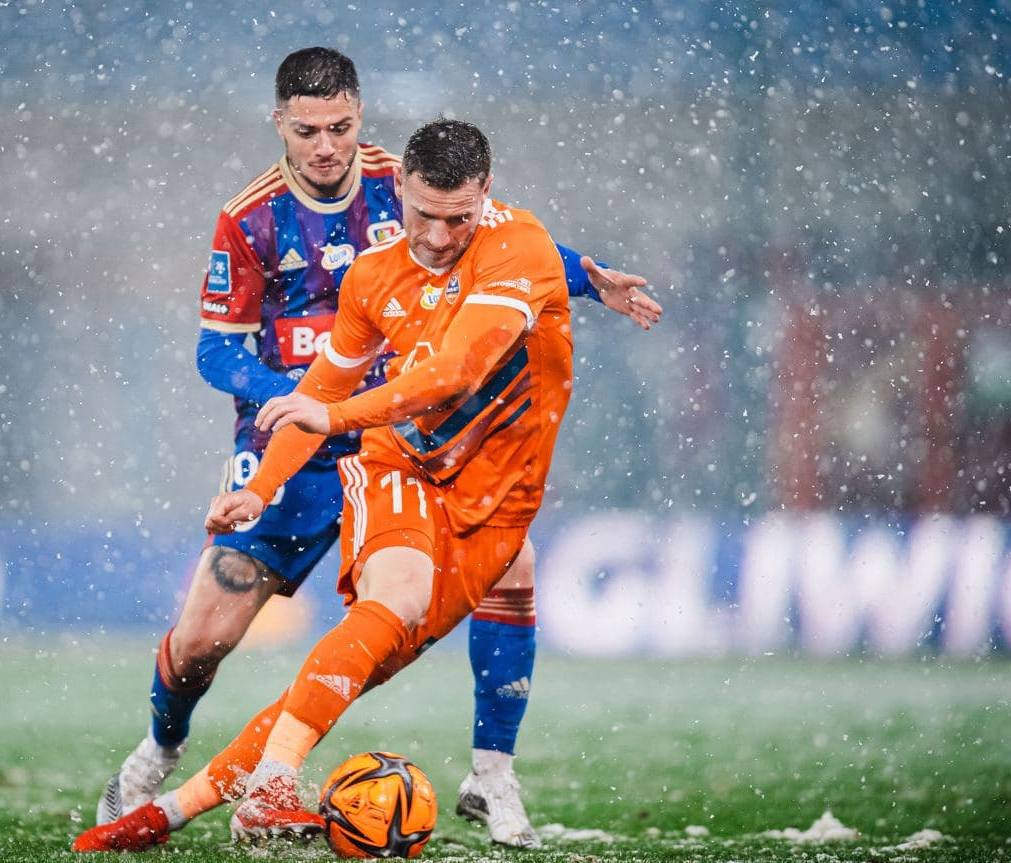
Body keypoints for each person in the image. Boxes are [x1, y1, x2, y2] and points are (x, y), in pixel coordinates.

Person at [93, 47, 661, 849]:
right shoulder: (251, 218)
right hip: (302, 436)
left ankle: (486, 772)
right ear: (279, 124)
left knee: (504, 568)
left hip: (395, 433)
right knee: (202, 639)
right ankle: (159, 751)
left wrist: (588, 278)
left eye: (340, 127)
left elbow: (509, 254)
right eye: (308, 131)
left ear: (360, 116)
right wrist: (292, 407)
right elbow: (215, 351)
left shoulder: (411, 185)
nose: (327, 146)